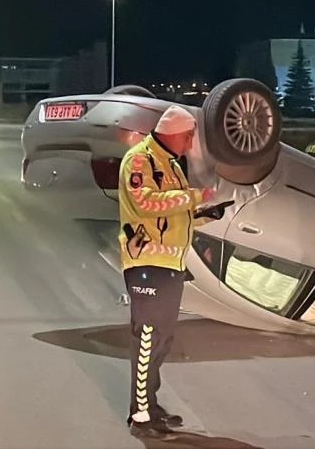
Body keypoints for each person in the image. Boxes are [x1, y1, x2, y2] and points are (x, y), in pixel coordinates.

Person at [118, 105, 219, 440]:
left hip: (170, 263)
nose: (191, 143)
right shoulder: (139, 160)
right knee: (147, 339)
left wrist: (204, 214)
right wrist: (194, 196)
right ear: (175, 132)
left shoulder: (170, 164)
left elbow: (173, 212)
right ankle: (141, 416)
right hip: (147, 263)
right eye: (189, 136)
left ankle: (150, 404)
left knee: (161, 341)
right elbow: (146, 203)